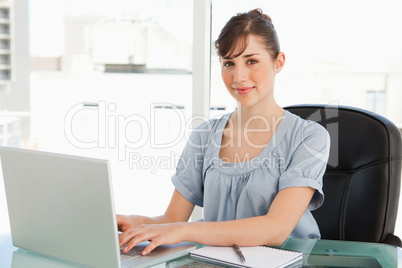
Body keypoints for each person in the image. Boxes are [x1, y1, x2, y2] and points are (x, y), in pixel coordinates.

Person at [117, 8, 330, 256]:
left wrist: (184, 231)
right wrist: (134, 223)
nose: (238, 76)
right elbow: (173, 218)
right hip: (220, 262)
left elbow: (276, 229)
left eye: (251, 61)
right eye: (229, 63)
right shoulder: (205, 135)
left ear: (278, 62)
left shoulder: (309, 137)